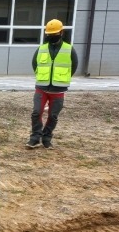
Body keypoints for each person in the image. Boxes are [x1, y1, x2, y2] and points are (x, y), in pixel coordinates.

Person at [26, 19, 79, 150]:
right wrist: (42, 77)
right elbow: (35, 64)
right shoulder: (41, 49)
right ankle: (35, 138)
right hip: (42, 88)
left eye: (54, 33)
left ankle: (46, 138)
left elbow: (73, 66)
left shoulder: (69, 49)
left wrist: (61, 78)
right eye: (49, 34)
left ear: (61, 32)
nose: (51, 36)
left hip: (58, 89)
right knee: (36, 112)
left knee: (53, 116)